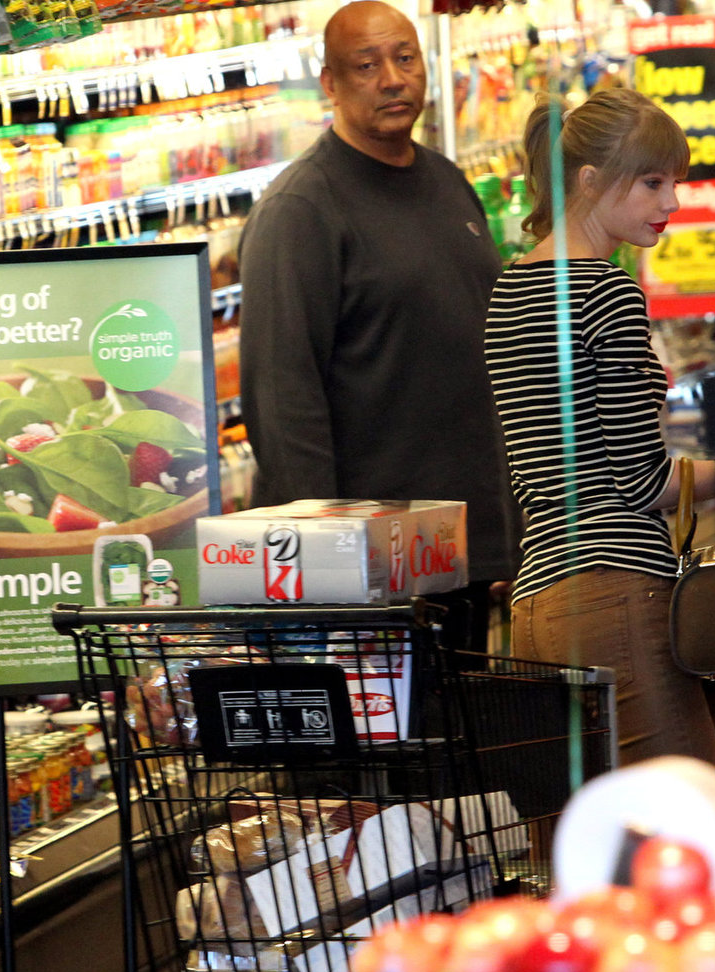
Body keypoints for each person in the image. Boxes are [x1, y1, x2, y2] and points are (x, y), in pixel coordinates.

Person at [238, 0, 519, 646]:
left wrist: (504, 530)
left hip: (460, 551)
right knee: (397, 744)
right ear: (330, 85)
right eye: (366, 66)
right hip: (372, 569)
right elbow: (282, 397)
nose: (392, 79)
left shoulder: (448, 183)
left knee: (458, 738)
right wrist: (322, 560)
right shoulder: (302, 209)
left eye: (404, 58)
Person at [484, 89, 715, 767]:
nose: (670, 202)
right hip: (613, 590)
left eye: (673, 182)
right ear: (589, 180)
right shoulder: (606, 290)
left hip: (535, 604)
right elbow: (644, 481)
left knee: (584, 842)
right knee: (687, 819)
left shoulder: (510, 288)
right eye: (651, 181)